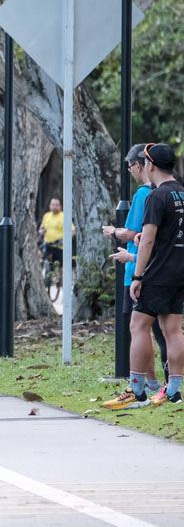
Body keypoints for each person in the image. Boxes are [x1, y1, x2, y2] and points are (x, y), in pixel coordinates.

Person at [102, 145, 169, 409]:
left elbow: (136, 233)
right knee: (162, 331)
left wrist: (114, 232)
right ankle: (159, 385)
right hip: (161, 270)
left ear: (141, 165)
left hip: (139, 272)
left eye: (130, 167)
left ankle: (141, 387)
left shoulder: (144, 194)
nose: (130, 171)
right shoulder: (168, 193)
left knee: (141, 329)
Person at [126, 143, 184, 407]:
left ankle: (137, 390)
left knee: (138, 325)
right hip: (179, 272)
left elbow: (148, 239)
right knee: (173, 330)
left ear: (150, 165)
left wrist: (138, 277)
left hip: (158, 272)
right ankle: (174, 389)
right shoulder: (182, 193)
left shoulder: (155, 196)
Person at [39, 197, 65, 271]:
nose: (54, 207)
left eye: (56, 205)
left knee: (59, 267)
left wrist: (63, 240)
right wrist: (41, 231)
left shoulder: (63, 216)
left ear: (60, 206)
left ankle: (59, 281)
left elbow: (72, 231)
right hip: (47, 244)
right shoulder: (46, 216)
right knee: (44, 262)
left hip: (59, 246)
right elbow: (41, 228)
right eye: (52, 205)